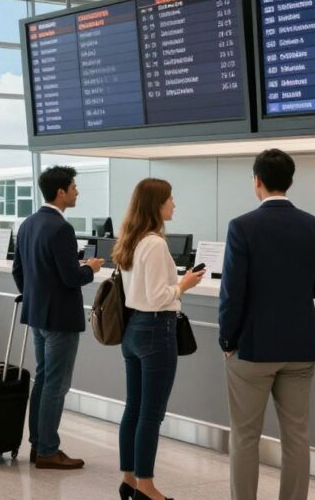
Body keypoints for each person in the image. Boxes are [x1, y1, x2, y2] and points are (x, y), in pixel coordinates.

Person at [217, 149, 315, 500]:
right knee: (297, 437)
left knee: (245, 436)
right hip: (300, 348)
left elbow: (232, 293)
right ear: (290, 181)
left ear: (257, 181)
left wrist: (227, 340)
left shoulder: (242, 227)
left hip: (252, 349)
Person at [113, 178, 204, 500]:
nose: (174, 204)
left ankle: (129, 479)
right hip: (155, 330)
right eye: (170, 198)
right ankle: (147, 487)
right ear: (157, 204)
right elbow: (156, 296)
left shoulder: (132, 240)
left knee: (134, 409)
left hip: (134, 330)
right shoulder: (154, 243)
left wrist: (176, 283)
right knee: (150, 414)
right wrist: (184, 285)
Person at [12, 165, 103, 470]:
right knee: (56, 384)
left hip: (37, 315)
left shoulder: (28, 224)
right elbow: (70, 277)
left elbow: (19, 271)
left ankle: (39, 445)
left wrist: (37, 296)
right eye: (74, 187)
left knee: (43, 379)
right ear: (61, 191)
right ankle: (49, 449)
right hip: (60, 318)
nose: (77, 191)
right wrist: (90, 267)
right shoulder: (61, 228)